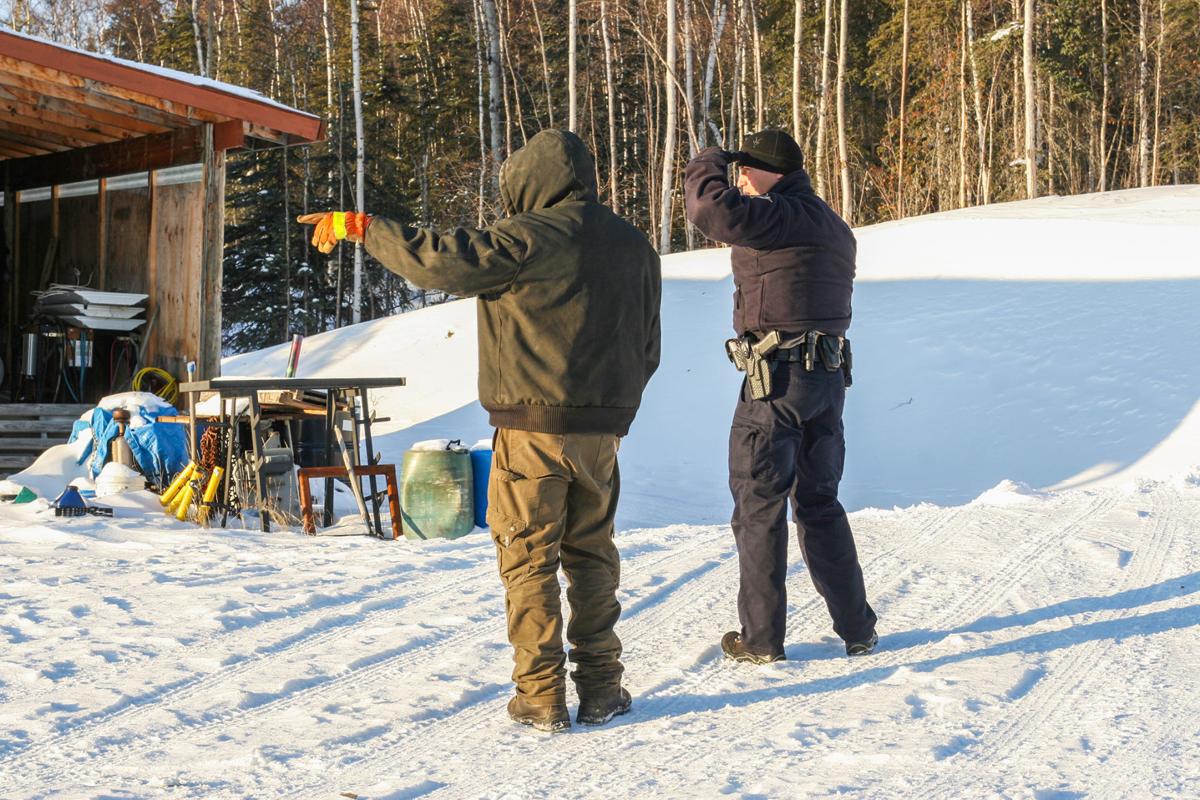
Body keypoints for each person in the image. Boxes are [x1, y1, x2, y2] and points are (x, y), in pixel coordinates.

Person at [299, 129, 661, 732]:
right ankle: (602, 688)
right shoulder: (636, 246)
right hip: (603, 433)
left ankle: (541, 696)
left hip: (532, 428)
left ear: (530, 182)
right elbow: (647, 344)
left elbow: (444, 258)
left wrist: (364, 227)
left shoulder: (529, 237)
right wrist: (614, 413)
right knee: (592, 555)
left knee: (528, 557)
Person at [683, 128, 877, 665]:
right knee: (819, 504)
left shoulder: (782, 215)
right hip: (826, 384)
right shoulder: (831, 225)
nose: (738, 178)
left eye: (744, 168)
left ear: (769, 171)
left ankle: (761, 641)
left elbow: (709, 212)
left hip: (778, 385)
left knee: (758, 505)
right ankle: (857, 628)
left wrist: (709, 159)